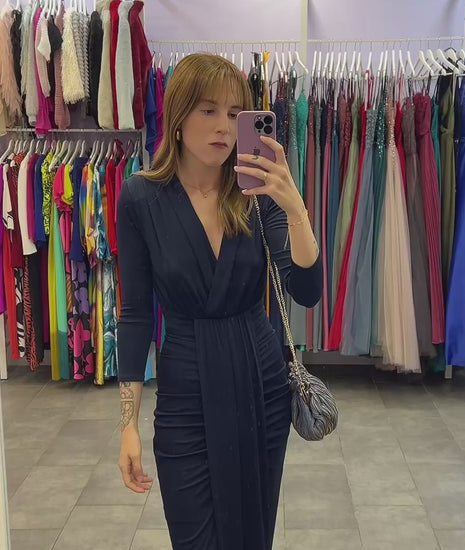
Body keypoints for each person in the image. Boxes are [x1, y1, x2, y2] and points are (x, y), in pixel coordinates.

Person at [116, 53, 322, 550]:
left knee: (253, 535)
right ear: (178, 115)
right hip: (185, 389)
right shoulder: (140, 197)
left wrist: (295, 207)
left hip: (261, 383)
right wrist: (127, 425)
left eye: (234, 113)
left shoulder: (258, 191)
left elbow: (306, 290)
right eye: (208, 110)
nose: (223, 127)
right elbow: (136, 315)